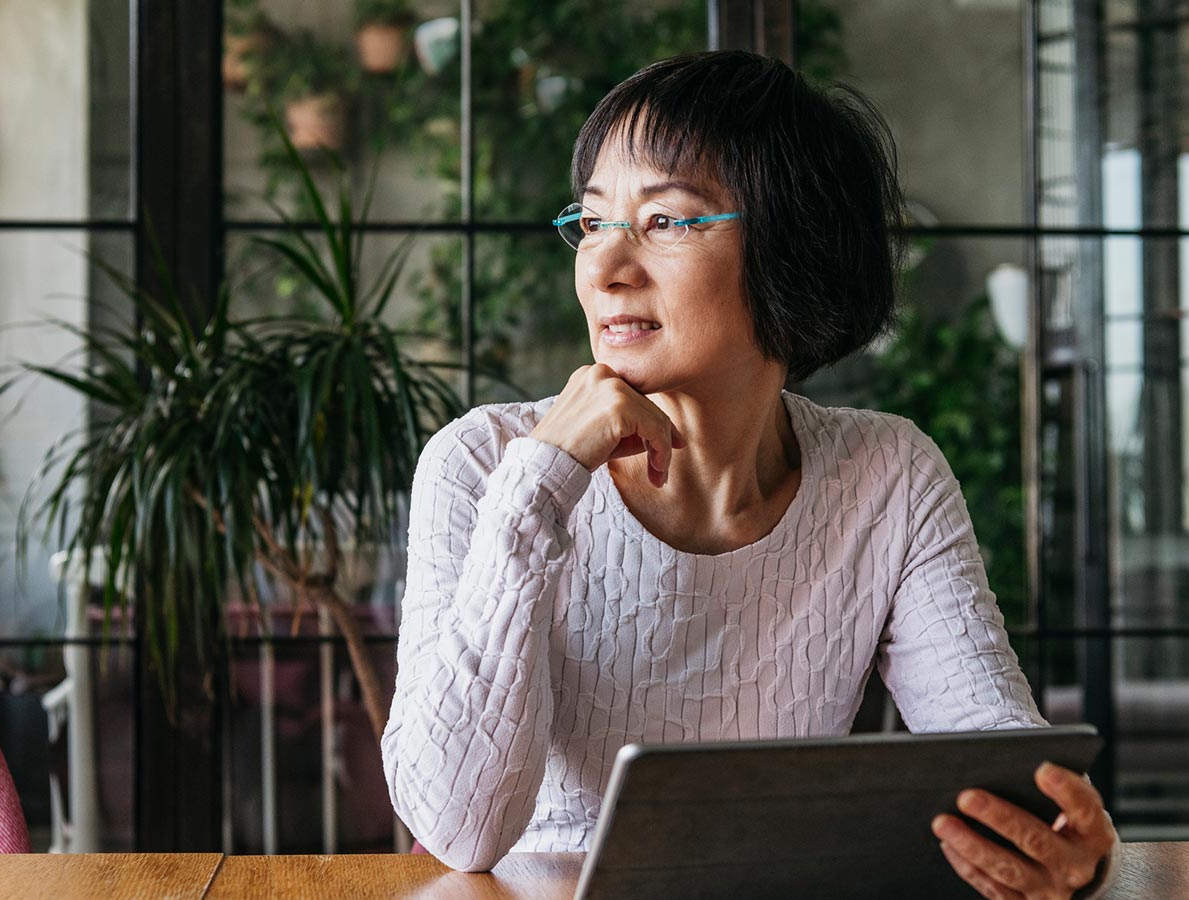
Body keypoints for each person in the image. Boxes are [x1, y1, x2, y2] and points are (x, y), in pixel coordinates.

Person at [380, 50, 1120, 899]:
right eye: (590, 222)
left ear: (793, 246)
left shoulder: (890, 474)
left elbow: (997, 760)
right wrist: (541, 480)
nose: (605, 267)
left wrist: (1065, 846)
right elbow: (460, 830)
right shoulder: (483, 462)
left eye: (665, 222)